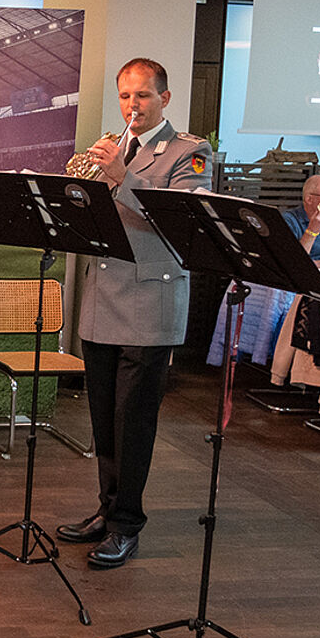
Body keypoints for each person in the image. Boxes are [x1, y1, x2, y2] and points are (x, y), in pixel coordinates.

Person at [59, 58, 213, 568]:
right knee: (104, 419)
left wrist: (121, 177)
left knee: (134, 423)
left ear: (164, 99)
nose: (132, 106)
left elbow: (180, 219)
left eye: (143, 96)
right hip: (103, 300)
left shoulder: (190, 153)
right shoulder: (114, 145)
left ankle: (127, 524)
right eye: (125, 96)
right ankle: (107, 509)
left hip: (149, 304)